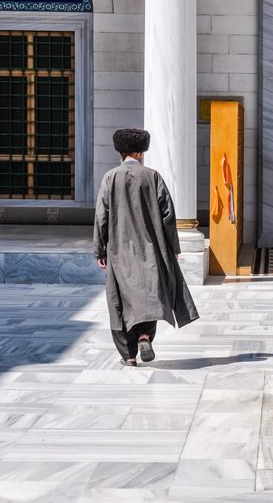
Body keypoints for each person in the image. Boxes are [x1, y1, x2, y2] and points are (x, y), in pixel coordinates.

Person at [93, 128, 200, 367]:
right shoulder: (153, 177)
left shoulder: (110, 178)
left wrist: (99, 249)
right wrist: (173, 246)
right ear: (141, 153)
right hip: (151, 250)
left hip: (120, 251)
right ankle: (144, 335)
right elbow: (168, 215)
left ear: (120, 152)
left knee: (120, 300)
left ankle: (128, 356)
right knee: (150, 296)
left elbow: (101, 217)